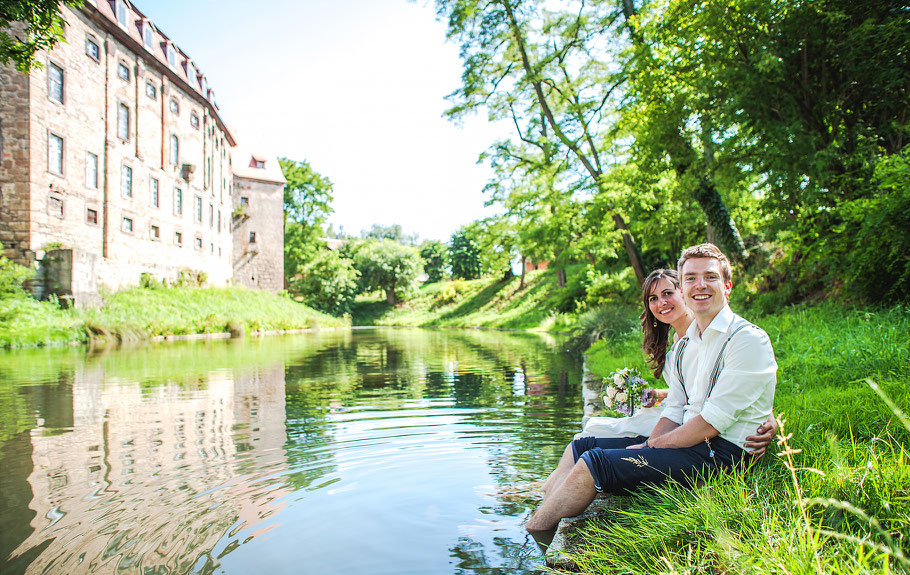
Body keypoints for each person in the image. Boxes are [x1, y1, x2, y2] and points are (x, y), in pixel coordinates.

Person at [527, 243, 778, 532]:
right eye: (691, 278)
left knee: (595, 463)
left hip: (721, 457)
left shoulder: (746, 339)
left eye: (710, 277)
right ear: (684, 289)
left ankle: (535, 532)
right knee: (584, 445)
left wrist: (652, 445)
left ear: (727, 285)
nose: (701, 285)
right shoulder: (687, 343)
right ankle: (538, 512)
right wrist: (650, 444)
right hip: (694, 442)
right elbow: (675, 408)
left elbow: (712, 422)